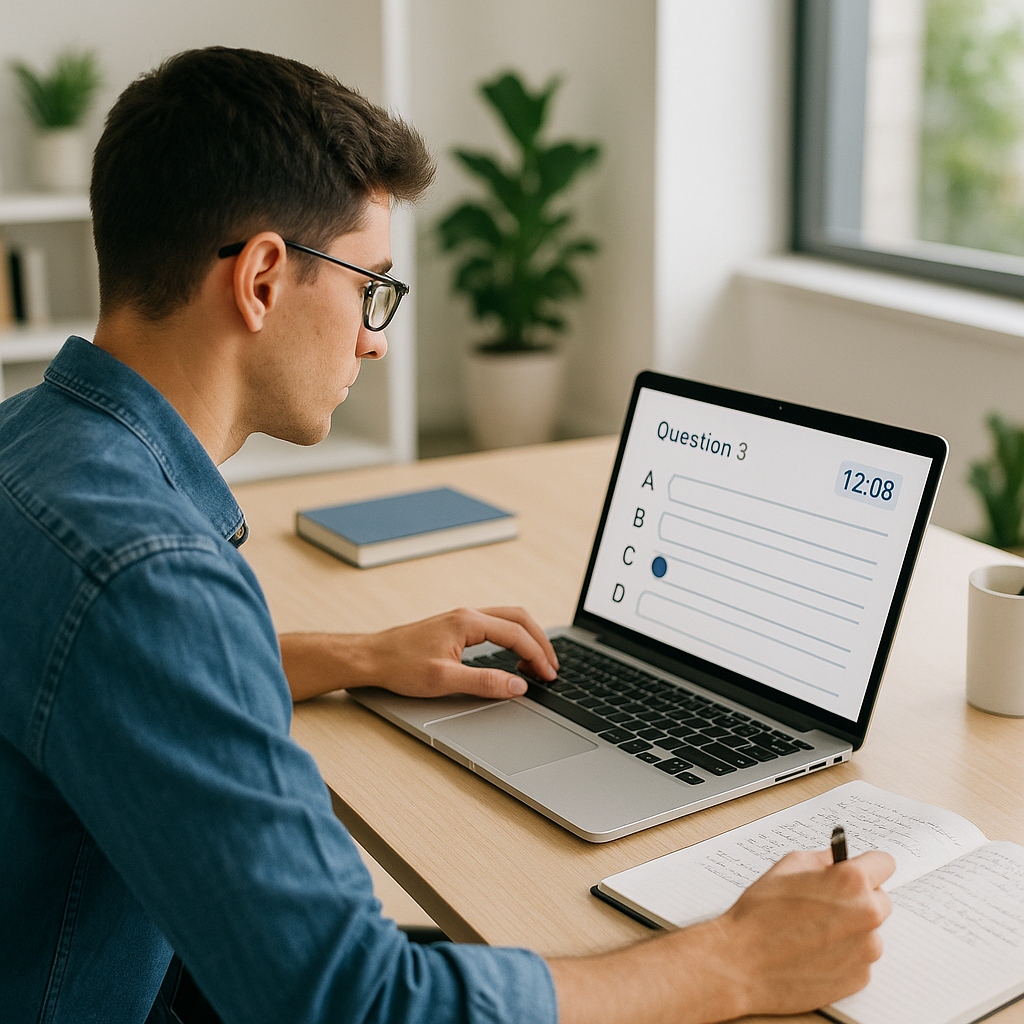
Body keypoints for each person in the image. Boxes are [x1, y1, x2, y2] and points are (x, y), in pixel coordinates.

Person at [0, 46, 894, 1024]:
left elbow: (92, 669)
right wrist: (737, 964)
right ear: (260, 278)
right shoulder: (150, 572)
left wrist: (357, 653)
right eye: (369, 285)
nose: (375, 337)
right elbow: (354, 1002)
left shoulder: (31, 447)